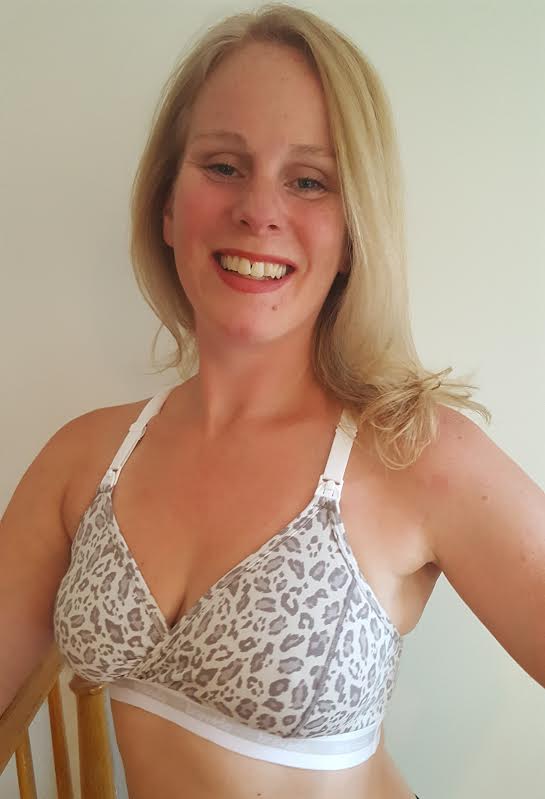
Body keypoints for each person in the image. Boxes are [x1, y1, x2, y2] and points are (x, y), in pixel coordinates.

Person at [1, 3, 544, 798]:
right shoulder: (85, 457)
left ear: (353, 233)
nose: (258, 210)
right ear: (166, 205)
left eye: (309, 180)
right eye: (223, 166)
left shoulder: (414, 451)